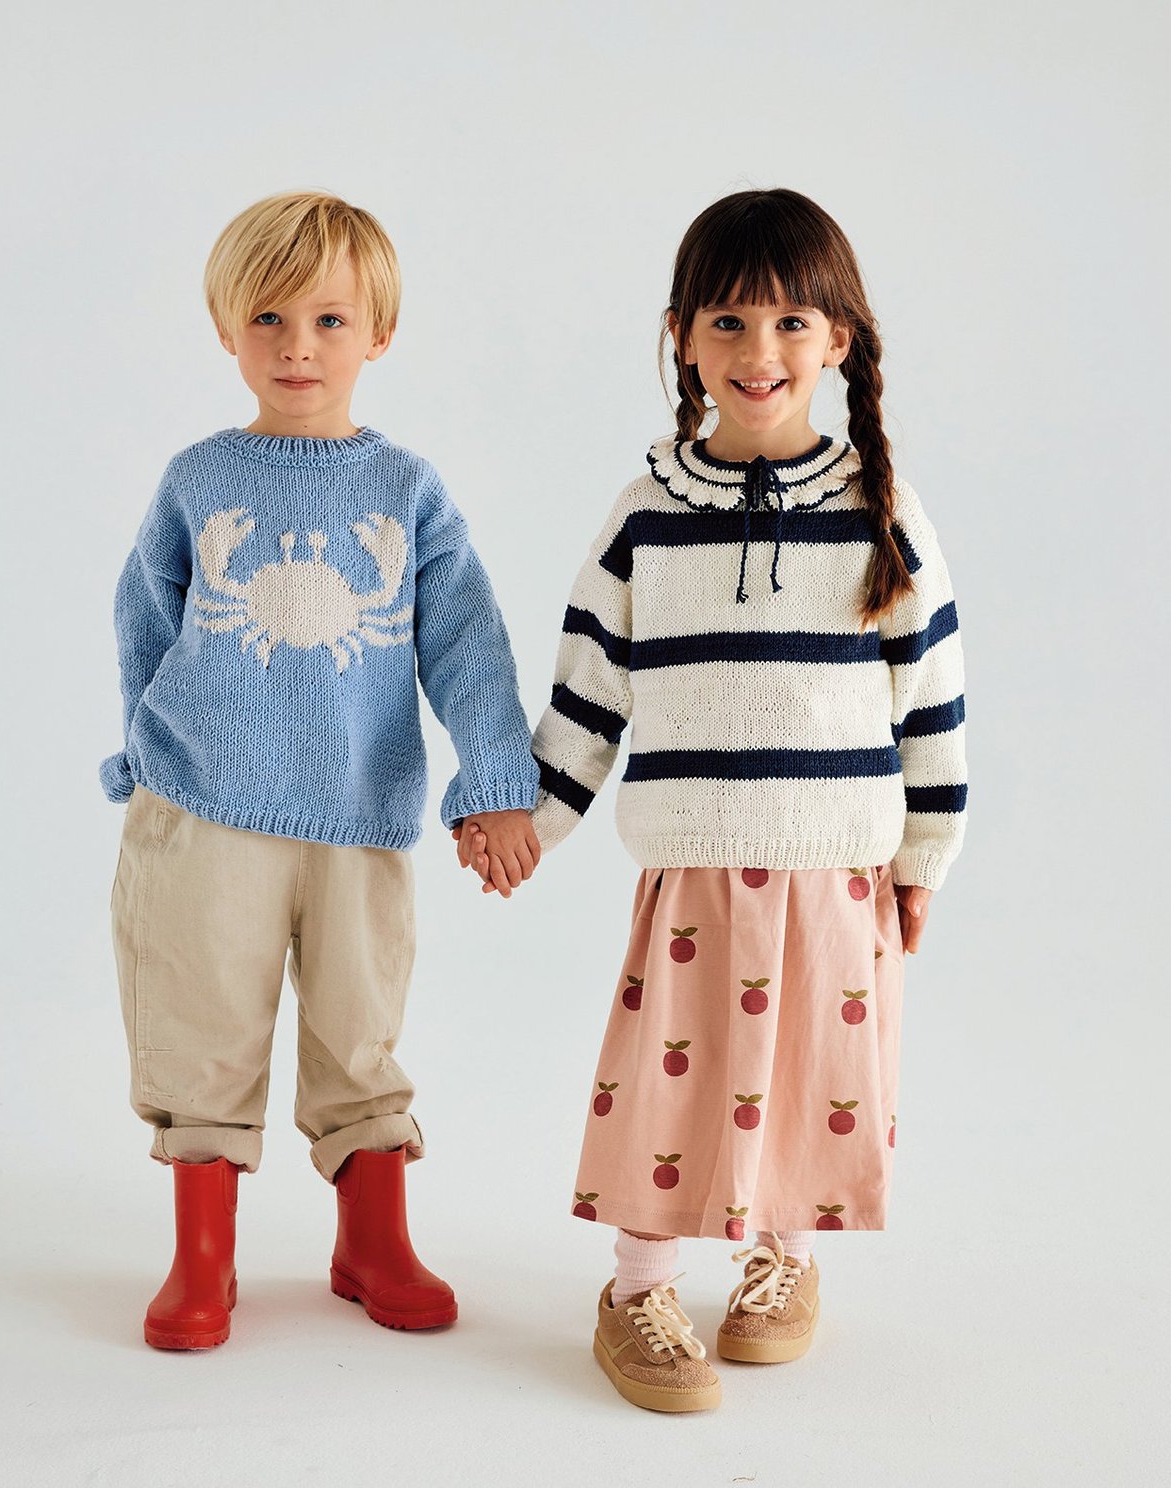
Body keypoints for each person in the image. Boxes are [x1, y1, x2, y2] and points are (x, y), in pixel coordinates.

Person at [475, 188, 967, 1411]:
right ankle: (637, 1287)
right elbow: (590, 687)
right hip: (695, 864)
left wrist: (925, 860)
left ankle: (782, 1261)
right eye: (731, 323)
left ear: (838, 340)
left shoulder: (883, 513)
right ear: (683, 338)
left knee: (810, 1074)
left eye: (793, 323)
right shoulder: (647, 516)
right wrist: (531, 821)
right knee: (671, 1081)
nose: (761, 352)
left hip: (840, 868)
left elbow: (934, 700)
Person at [102, 191, 541, 1350]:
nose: (298, 346)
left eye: (330, 320)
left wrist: (496, 781)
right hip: (203, 807)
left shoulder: (407, 490)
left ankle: (372, 1239)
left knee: (360, 1027)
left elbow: (467, 641)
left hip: (358, 810)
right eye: (269, 318)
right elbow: (144, 620)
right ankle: (203, 1256)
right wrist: (140, 754)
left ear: (379, 333)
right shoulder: (196, 480)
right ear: (226, 328)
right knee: (198, 1020)